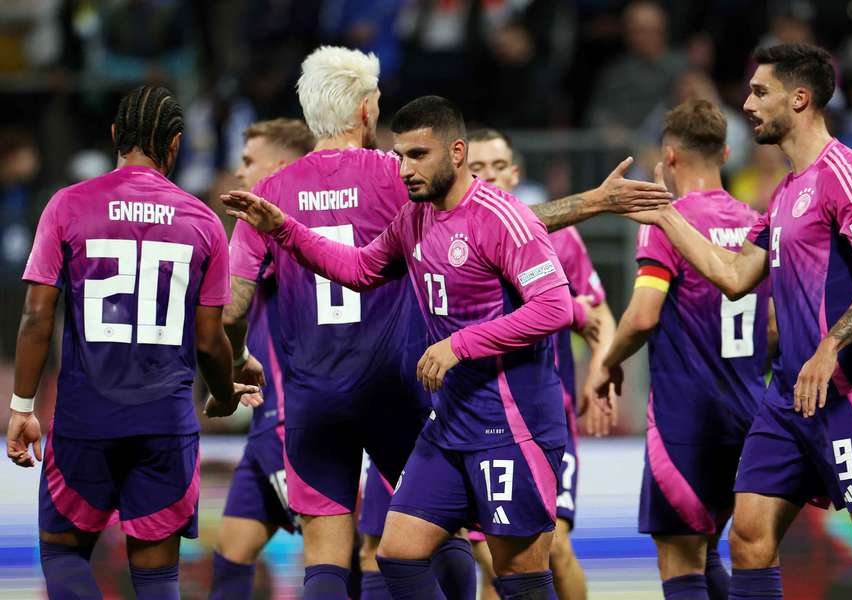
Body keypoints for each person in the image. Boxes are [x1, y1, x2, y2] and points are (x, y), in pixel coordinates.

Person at [223, 45, 670, 599]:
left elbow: (235, 306)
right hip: (419, 397)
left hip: (377, 403)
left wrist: (236, 360)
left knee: (360, 561)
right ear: (366, 111)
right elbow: (398, 253)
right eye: (397, 144)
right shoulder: (404, 193)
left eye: (415, 154)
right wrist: (590, 202)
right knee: (422, 547)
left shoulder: (274, 193)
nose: (405, 163)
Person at [617, 44, 852, 596]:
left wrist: (830, 347)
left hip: (850, 392)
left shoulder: (847, 173)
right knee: (748, 535)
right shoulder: (785, 192)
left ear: (799, 99)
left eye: (759, 91)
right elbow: (732, 273)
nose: (747, 104)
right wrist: (665, 215)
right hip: (789, 398)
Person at [5, 85, 257, 600]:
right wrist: (224, 396)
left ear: (117, 135)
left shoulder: (68, 205)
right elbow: (210, 342)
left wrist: (22, 405)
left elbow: (36, 316)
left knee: (63, 554)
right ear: (176, 145)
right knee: (156, 580)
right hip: (164, 425)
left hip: (84, 420)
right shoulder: (204, 221)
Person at [594, 99, 771, 600]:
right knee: (717, 547)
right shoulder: (755, 223)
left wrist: (606, 364)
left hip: (685, 419)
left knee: (680, 559)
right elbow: (773, 325)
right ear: (728, 152)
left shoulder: (666, 220)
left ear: (668, 157)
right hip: (748, 413)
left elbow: (644, 314)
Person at [466, 127, 616, 600]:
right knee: (495, 556)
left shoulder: (559, 237)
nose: (488, 177)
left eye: (497, 167)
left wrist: (598, 371)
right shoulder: (455, 236)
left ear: (514, 172)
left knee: (555, 548)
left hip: (546, 417)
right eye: (476, 169)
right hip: (476, 417)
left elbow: (600, 316)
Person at [209, 119, 316, 599]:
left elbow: (230, 313)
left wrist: (233, 364)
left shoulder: (277, 228)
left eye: (249, 161)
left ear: (280, 167)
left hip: (288, 418)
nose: (239, 171)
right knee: (231, 555)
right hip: (264, 421)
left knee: (336, 553)